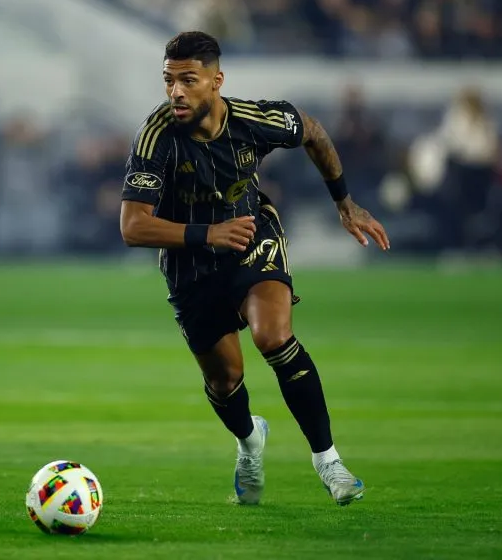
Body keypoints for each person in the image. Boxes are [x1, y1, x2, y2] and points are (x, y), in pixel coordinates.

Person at [119, 31, 390, 506]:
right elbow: (133, 226)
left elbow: (313, 131)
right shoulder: (158, 135)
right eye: (168, 81)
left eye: (188, 80)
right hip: (190, 265)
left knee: (273, 337)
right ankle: (249, 442)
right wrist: (208, 235)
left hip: (250, 237)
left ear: (216, 81)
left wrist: (344, 202)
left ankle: (329, 462)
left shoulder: (253, 120)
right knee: (224, 380)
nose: (176, 92)